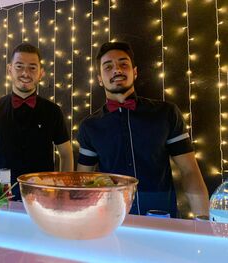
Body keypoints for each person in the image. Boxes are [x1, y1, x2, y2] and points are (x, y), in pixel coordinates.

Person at [77, 41, 209, 218]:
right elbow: (83, 182)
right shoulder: (89, 126)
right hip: (111, 219)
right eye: (108, 67)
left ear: (135, 72)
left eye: (123, 64)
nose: (117, 70)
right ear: (100, 79)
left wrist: (203, 220)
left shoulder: (166, 113)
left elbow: (189, 171)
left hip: (161, 217)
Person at [0, 43, 74, 200]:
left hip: (44, 197)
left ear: (41, 73)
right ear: (9, 69)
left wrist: (64, 193)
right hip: (1, 197)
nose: (25, 73)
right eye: (19, 66)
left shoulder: (53, 111)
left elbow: (66, 154)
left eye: (32, 67)